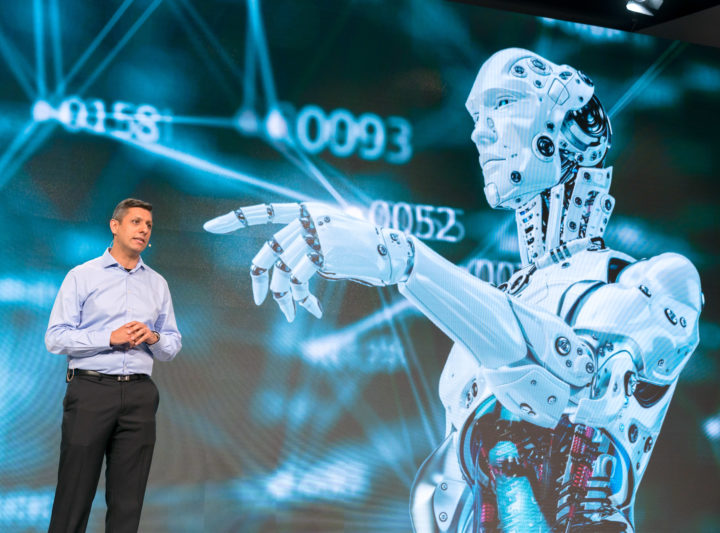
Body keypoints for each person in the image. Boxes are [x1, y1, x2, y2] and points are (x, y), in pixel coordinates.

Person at [204, 49, 703, 532]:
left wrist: (401, 259)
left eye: (503, 105)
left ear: (572, 125)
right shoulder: (490, 315)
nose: (480, 132)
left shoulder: (652, 279)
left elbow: (569, 380)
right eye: (475, 116)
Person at [45, 198, 181, 533]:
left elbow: (172, 345)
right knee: (74, 495)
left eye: (148, 225)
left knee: (128, 501)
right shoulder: (82, 276)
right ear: (115, 226)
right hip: (91, 389)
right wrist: (109, 337)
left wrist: (152, 337)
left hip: (139, 394)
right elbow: (55, 338)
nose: (144, 230)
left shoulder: (158, 284)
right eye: (136, 222)